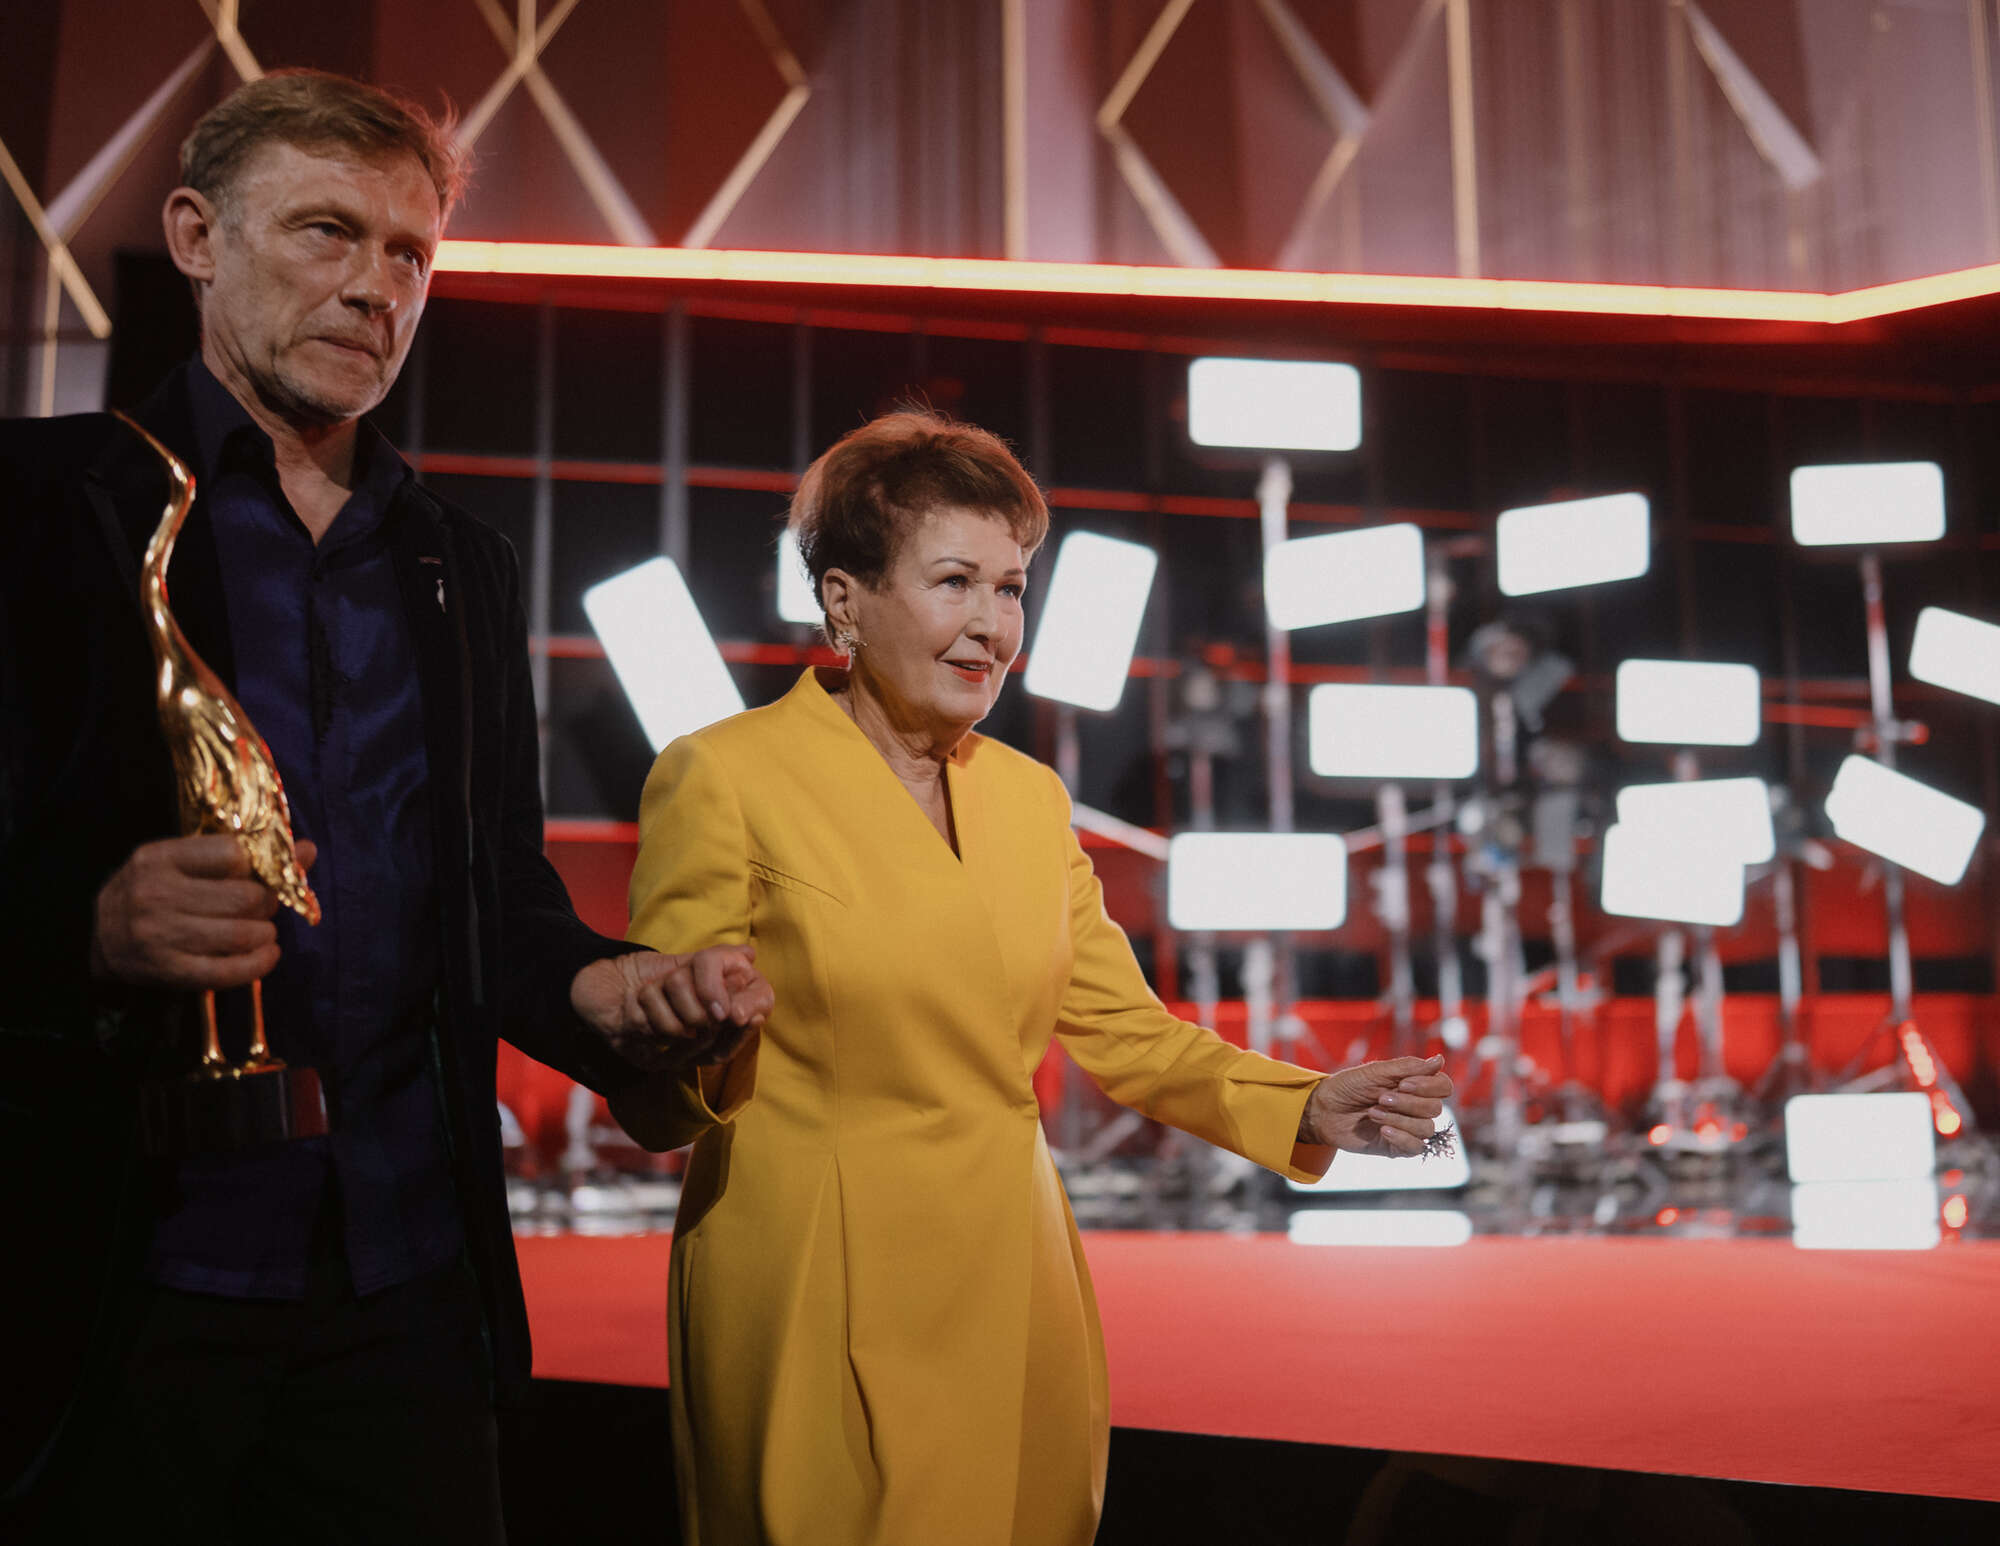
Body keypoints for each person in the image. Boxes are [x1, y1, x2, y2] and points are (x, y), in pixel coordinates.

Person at [0, 70, 769, 1541]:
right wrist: (85, 925)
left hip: (404, 1286)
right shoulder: (39, 509)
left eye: (410, 252)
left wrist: (617, 989)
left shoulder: (460, 565)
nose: (375, 287)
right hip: (118, 1288)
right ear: (197, 236)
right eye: (326, 233)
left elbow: (498, 907)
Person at [610, 410, 1455, 1546]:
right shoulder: (722, 775)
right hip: (812, 1264)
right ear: (845, 601)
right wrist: (688, 1032)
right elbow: (657, 1073)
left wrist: (1304, 1103)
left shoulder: (1028, 796)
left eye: (1010, 588)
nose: (992, 626)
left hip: (1013, 1270)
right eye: (954, 582)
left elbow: (1130, 1033)